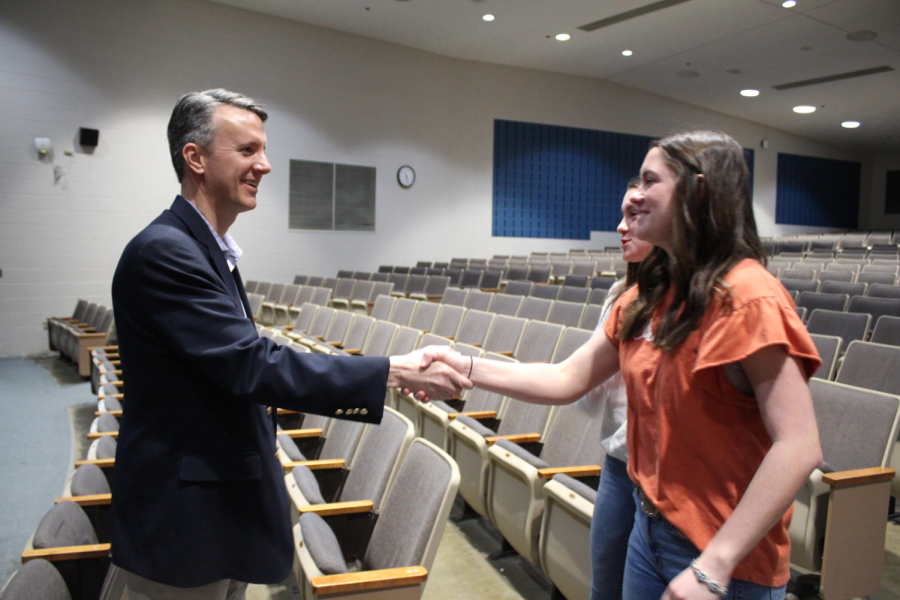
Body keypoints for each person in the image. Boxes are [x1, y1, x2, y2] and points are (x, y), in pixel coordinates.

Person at [110, 89, 470, 600]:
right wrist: (393, 370)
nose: (266, 165)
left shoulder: (199, 248)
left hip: (214, 506)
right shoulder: (167, 253)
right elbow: (251, 365)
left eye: (264, 150)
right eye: (248, 150)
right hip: (183, 522)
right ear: (195, 158)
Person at [433, 130, 822, 599]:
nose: (632, 195)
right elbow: (566, 378)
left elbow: (798, 446)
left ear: (698, 191)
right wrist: (461, 368)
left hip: (722, 559)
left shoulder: (749, 298)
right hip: (649, 529)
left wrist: (714, 565)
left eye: (648, 181)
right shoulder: (648, 295)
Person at [589, 178, 654, 600]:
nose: (619, 227)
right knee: (604, 589)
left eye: (634, 215)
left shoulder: (700, 306)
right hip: (618, 465)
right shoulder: (620, 298)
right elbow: (579, 382)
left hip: (660, 479)